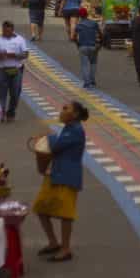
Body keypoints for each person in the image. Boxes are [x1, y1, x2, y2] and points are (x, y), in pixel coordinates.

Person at [33, 100, 88, 263]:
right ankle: (53, 242)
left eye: (66, 108)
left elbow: (56, 146)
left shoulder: (76, 130)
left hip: (68, 176)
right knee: (41, 208)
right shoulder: (68, 128)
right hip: (56, 173)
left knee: (66, 214)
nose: (62, 111)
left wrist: (46, 138)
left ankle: (65, 249)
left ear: (75, 114)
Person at [0, 20, 28, 121]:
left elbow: (25, 54)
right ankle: (1, 113)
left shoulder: (20, 40)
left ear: (12, 30)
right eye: (3, 30)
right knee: (1, 94)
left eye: (7, 31)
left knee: (15, 94)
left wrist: (14, 55)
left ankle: (11, 113)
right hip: (3, 70)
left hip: (16, 70)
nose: (5, 32)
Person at [75, 7, 101, 89]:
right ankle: (92, 80)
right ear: (87, 14)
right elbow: (100, 33)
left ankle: (86, 82)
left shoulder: (79, 25)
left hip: (83, 47)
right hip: (93, 46)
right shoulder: (94, 23)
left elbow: (74, 37)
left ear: (79, 16)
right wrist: (99, 43)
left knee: (85, 65)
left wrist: (78, 44)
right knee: (93, 63)